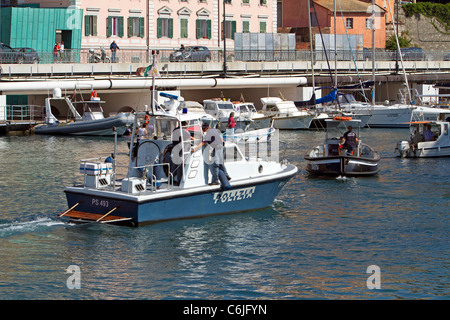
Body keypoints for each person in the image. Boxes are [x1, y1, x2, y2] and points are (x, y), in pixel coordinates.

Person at [192, 123, 231, 189]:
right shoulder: (215, 130)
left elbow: (203, 142)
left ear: (207, 128)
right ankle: (226, 175)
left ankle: (215, 181)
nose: (202, 130)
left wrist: (195, 148)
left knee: (215, 165)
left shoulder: (209, 133)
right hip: (221, 147)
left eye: (203, 129)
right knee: (221, 164)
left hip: (217, 148)